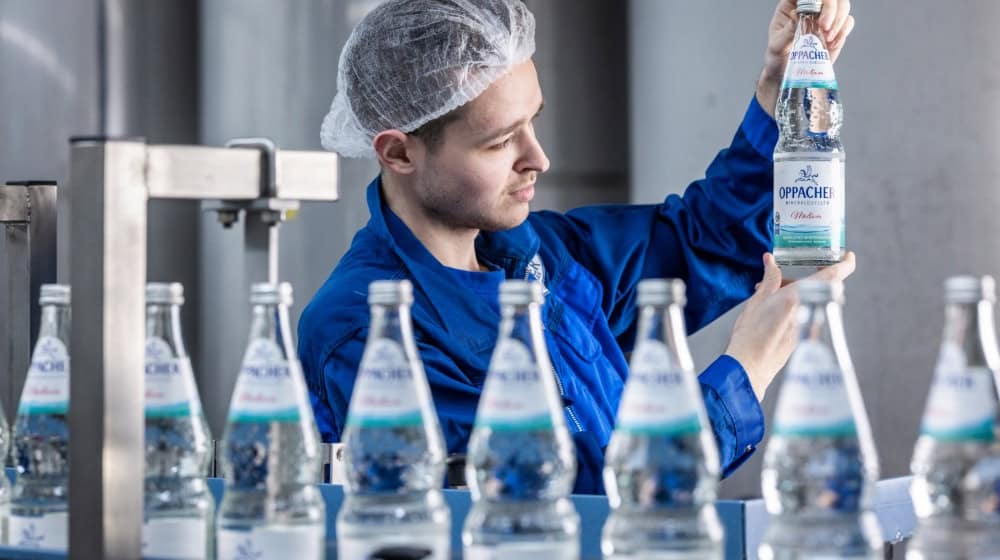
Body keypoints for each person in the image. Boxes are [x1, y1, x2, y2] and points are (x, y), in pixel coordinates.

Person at [298, 0, 857, 494]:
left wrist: (777, 93)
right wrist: (748, 368)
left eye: (532, 122)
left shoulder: (544, 258)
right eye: (498, 142)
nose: (538, 158)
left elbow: (709, 239)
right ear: (398, 153)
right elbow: (562, 503)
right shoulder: (367, 332)